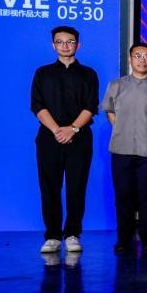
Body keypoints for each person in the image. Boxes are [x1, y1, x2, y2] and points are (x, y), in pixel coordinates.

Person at [30, 25, 99, 255]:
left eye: (70, 41)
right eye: (60, 42)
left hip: (79, 138)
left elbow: (90, 106)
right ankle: (52, 235)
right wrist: (57, 130)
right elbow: (37, 106)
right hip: (49, 138)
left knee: (76, 187)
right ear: (53, 45)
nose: (65, 46)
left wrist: (73, 129)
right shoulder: (43, 73)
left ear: (78, 45)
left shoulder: (89, 74)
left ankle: (72, 234)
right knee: (49, 187)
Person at [100, 42, 147, 254]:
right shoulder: (116, 85)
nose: (142, 60)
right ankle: (124, 239)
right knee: (123, 196)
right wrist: (121, 127)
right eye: (137, 56)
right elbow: (109, 110)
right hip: (121, 148)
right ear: (130, 59)